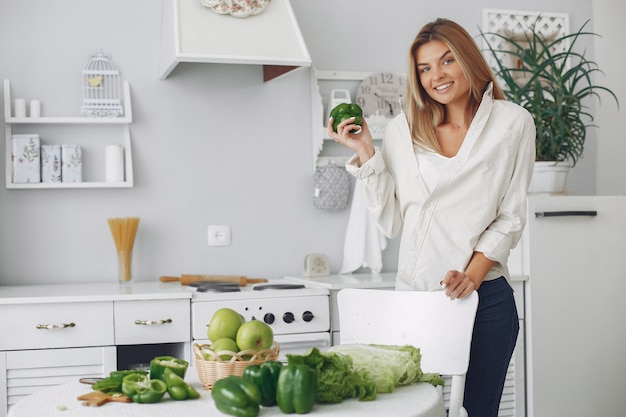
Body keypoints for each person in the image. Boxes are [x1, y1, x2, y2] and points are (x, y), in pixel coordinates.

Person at [328, 18, 535, 417]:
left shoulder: (513, 123)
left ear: (468, 61)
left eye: (447, 61)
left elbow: (510, 217)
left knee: (478, 411)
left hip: (486, 297)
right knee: (417, 409)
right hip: (419, 298)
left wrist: (470, 276)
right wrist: (366, 151)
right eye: (424, 68)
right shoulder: (403, 129)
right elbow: (390, 222)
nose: (436, 76)